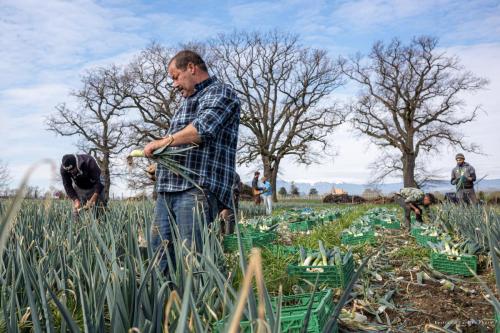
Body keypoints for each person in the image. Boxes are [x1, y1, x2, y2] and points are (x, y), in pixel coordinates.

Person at [143, 50, 240, 273]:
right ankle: (168, 306)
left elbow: (203, 130)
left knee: (194, 260)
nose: (174, 84)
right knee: (160, 258)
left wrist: (161, 143)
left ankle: (206, 306)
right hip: (168, 190)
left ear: (191, 68)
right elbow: (183, 147)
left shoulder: (221, 93)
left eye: (175, 76)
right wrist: (162, 167)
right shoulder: (186, 102)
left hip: (195, 189)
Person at [60, 154, 106, 218]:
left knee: (99, 211)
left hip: (95, 186)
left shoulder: (89, 161)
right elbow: (67, 186)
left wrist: (93, 199)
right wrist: (75, 200)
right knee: (77, 213)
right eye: (69, 171)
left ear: (76, 163)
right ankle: (77, 226)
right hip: (79, 188)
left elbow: (99, 182)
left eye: (73, 169)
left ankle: (99, 224)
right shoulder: (64, 169)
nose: (71, 172)